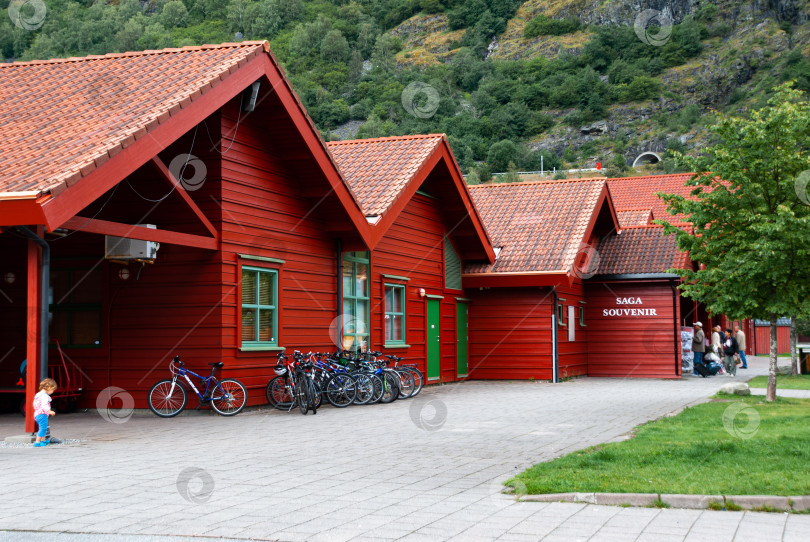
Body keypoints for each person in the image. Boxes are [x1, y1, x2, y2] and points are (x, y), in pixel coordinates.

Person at [33, 378, 57, 447]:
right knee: (43, 428)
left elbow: (34, 404)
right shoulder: (45, 396)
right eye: (53, 390)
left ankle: (43, 440)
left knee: (42, 428)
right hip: (42, 414)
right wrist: (50, 411)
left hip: (37, 414)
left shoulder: (38, 395)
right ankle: (37, 442)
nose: (52, 391)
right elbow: (45, 405)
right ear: (49, 387)